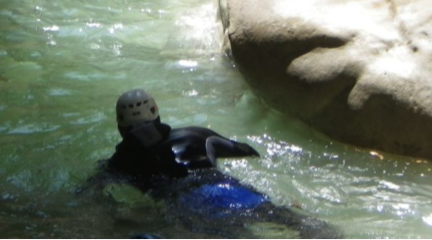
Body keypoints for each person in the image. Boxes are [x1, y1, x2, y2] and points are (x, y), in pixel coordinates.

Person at [85, 90, 343, 239]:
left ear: (120, 126)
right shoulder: (196, 134)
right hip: (227, 187)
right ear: (156, 112)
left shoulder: (120, 162)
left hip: (187, 201)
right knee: (292, 221)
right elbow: (247, 151)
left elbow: (92, 192)